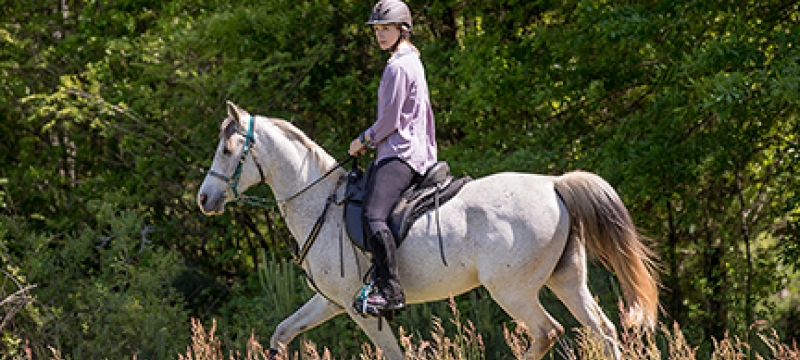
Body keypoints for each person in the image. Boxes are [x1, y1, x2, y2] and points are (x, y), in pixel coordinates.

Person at [348, 0, 437, 312]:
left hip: (401, 153)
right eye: (377, 30)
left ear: (403, 30)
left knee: (372, 214)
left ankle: (391, 292)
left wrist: (362, 140)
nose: (380, 35)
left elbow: (390, 121)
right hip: (413, 150)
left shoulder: (398, 67)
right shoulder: (411, 60)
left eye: (386, 29)